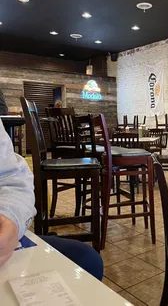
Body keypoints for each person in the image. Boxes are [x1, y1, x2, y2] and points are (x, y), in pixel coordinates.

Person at [0, 119, 103, 280]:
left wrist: (10, 216)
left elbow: (10, 177)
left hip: (63, 153)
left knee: (88, 260)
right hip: (75, 153)